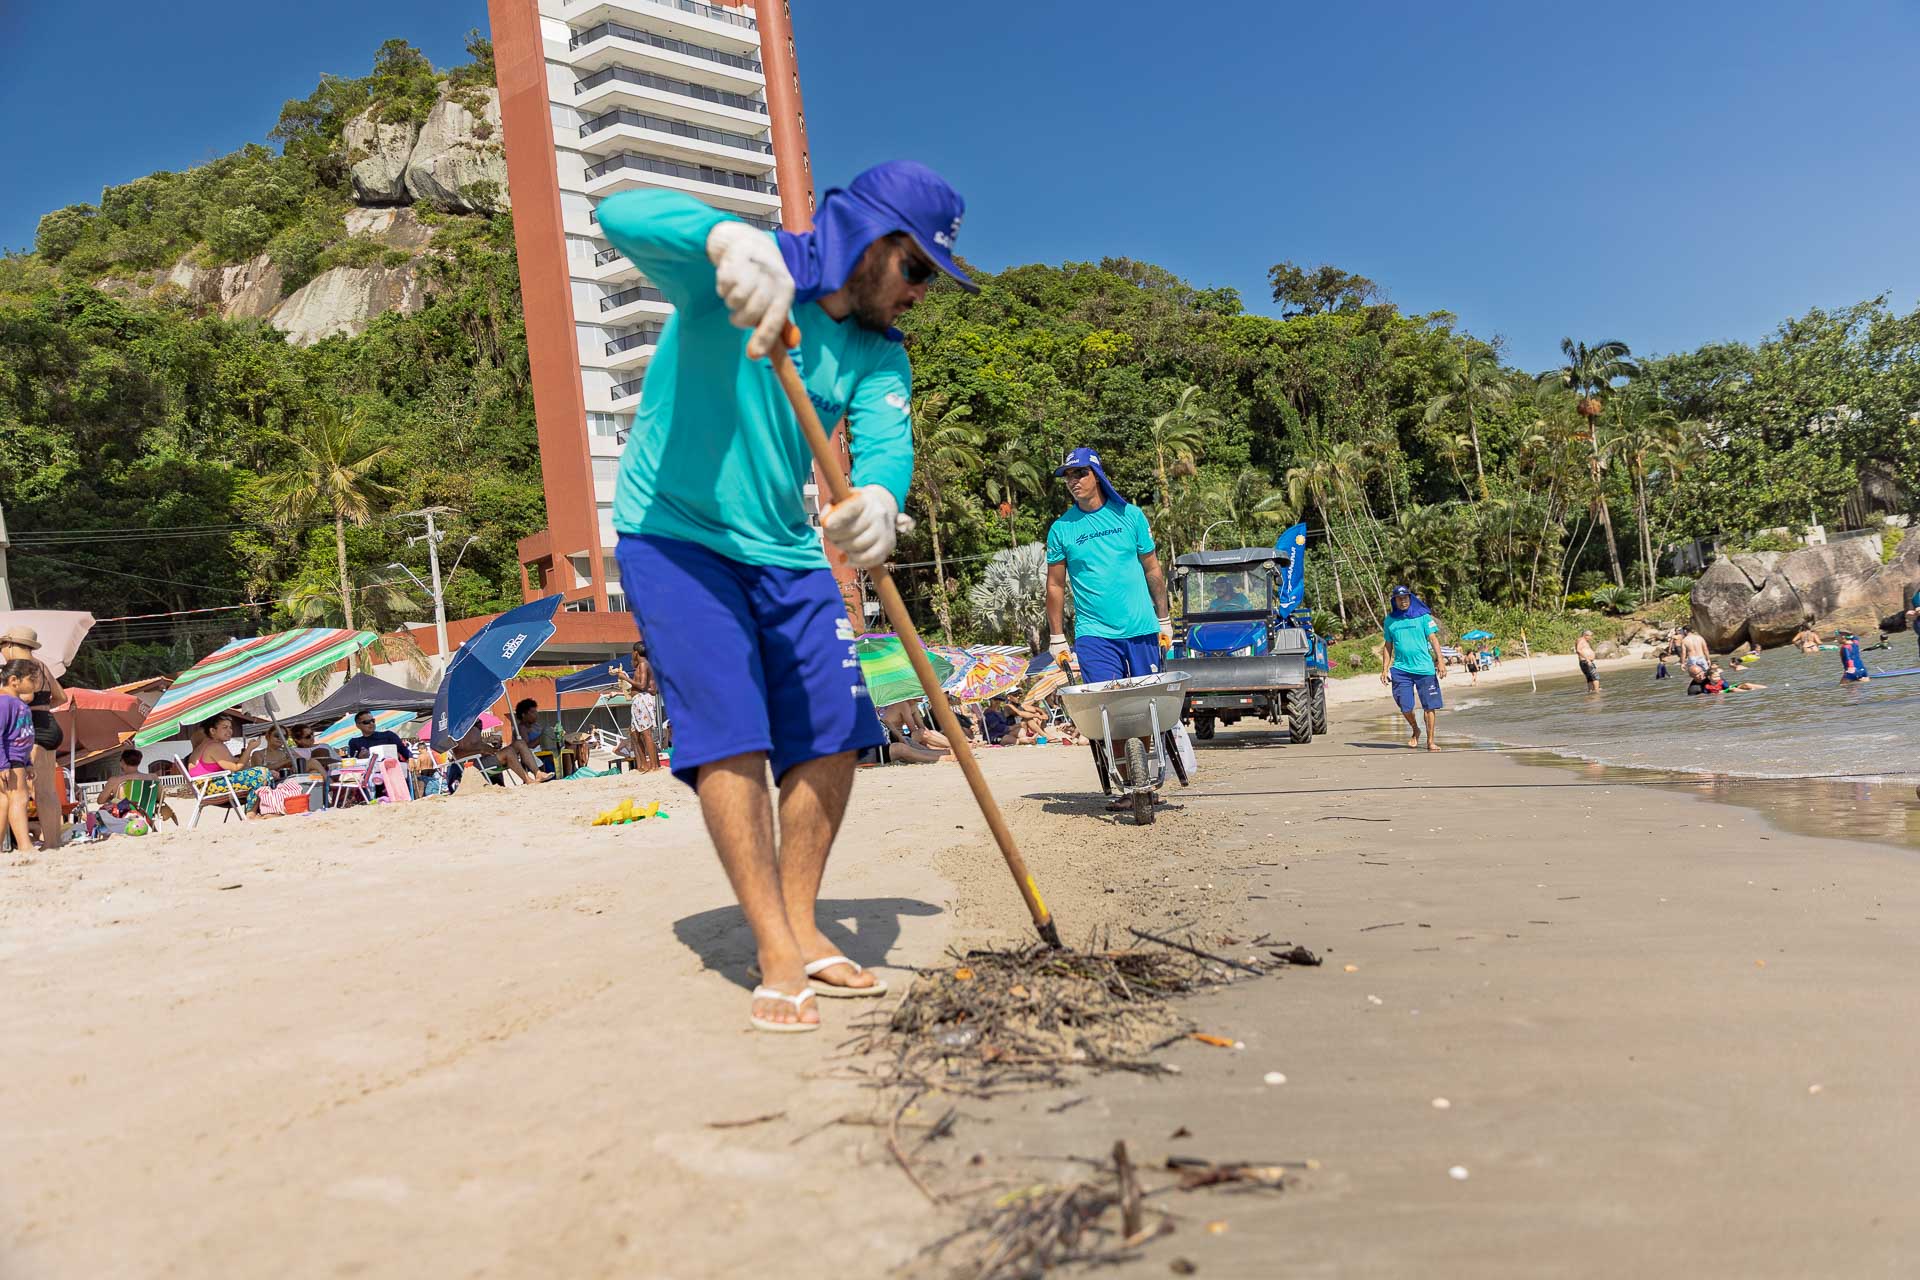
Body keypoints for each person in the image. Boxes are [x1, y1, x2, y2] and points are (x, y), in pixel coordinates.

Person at [598, 160, 973, 1031]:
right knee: (732, 732)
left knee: (836, 730)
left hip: (785, 549)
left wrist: (880, 497)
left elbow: (884, 443)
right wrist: (721, 238)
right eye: (917, 269)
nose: (921, 293)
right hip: (675, 536)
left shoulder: (881, 351)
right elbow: (620, 214)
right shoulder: (744, 268)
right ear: (869, 242)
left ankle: (803, 920)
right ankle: (772, 944)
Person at [1044, 446, 1172, 803]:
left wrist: (1164, 618)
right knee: (1109, 710)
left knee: (1146, 706)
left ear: (1096, 475)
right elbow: (1055, 586)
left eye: (1080, 474)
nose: (1073, 481)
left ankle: (1142, 772)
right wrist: (1057, 638)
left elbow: (1153, 569)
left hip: (1142, 627)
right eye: (1068, 476)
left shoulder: (1130, 516)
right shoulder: (1062, 529)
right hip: (1094, 635)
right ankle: (1129, 781)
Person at [0, 626, 67, 850]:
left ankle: (24, 845)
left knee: (18, 792)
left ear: (10, 645)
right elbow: (61, 697)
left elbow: (25, 696)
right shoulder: (43, 666)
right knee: (48, 789)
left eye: (2, 646)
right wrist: (43, 707)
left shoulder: (20, 669)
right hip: (49, 723)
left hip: (29, 728)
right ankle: (53, 841)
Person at [1380, 585, 1446, 751]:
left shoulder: (1423, 617)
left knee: (1429, 706)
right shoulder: (1390, 621)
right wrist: (1384, 669)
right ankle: (1415, 729)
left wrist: (1441, 661)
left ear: (1410, 598)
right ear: (1394, 601)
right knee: (1405, 706)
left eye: (1406, 598)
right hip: (1401, 669)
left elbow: (1433, 639)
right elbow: (1388, 646)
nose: (1403, 601)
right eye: (1399, 598)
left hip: (1425, 669)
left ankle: (1430, 741)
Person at [186, 713, 273, 805]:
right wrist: (250, 748)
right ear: (212, 731)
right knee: (262, 773)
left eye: (230, 727)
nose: (230, 731)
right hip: (210, 788)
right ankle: (253, 812)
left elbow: (234, 762)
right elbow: (236, 767)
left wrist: (244, 755)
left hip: (204, 787)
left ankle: (257, 810)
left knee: (261, 772)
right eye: (224, 727)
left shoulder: (206, 744)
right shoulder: (215, 746)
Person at [0, 659, 38, 852]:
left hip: (18, 759)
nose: (35, 684)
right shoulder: (5, 702)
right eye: (32, 679)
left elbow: (21, 735)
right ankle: (25, 845)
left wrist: (28, 762)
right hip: (10, 759)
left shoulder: (17, 702)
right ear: (14, 680)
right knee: (19, 799)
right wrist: (3, 764)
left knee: (5, 802)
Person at [613, 644, 660, 774]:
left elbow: (642, 685)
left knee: (646, 733)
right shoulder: (640, 666)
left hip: (642, 700)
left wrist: (625, 678)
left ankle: (654, 765)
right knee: (634, 733)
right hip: (637, 701)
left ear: (636, 653)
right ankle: (644, 765)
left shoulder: (644, 664)